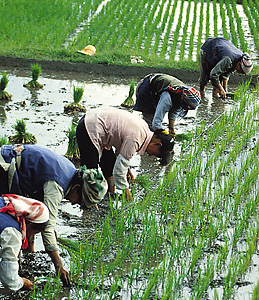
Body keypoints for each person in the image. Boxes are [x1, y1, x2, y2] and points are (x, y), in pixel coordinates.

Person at [0, 144, 107, 287]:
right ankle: (13, 266)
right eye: (80, 201)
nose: (76, 205)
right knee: (9, 218)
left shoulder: (69, 172)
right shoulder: (56, 185)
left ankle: (23, 255)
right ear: (77, 188)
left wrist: (30, 253)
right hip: (5, 167)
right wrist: (59, 265)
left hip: (11, 161)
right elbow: (48, 226)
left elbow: (34, 212)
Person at [76, 107, 175, 201]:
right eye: (155, 154)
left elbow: (121, 153)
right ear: (158, 144)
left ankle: (110, 194)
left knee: (109, 161)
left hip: (98, 124)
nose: (150, 155)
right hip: (90, 126)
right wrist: (127, 194)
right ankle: (86, 201)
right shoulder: (136, 138)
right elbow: (119, 172)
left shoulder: (144, 130)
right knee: (91, 172)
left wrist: (128, 170)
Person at [0, 194, 49, 292]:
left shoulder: (4, 203)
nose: (30, 236)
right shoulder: (12, 232)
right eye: (34, 233)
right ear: (29, 225)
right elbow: (9, 280)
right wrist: (21, 283)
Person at [133, 73, 201, 135]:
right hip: (146, 88)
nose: (185, 109)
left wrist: (171, 129)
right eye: (187, 107)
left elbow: (174, 112)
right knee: (150, 124)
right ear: (183, 100)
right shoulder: (167, 99)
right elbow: (156, 123)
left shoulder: (181, 94)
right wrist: (164, 134)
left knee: (152, 125)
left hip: (157, 91)